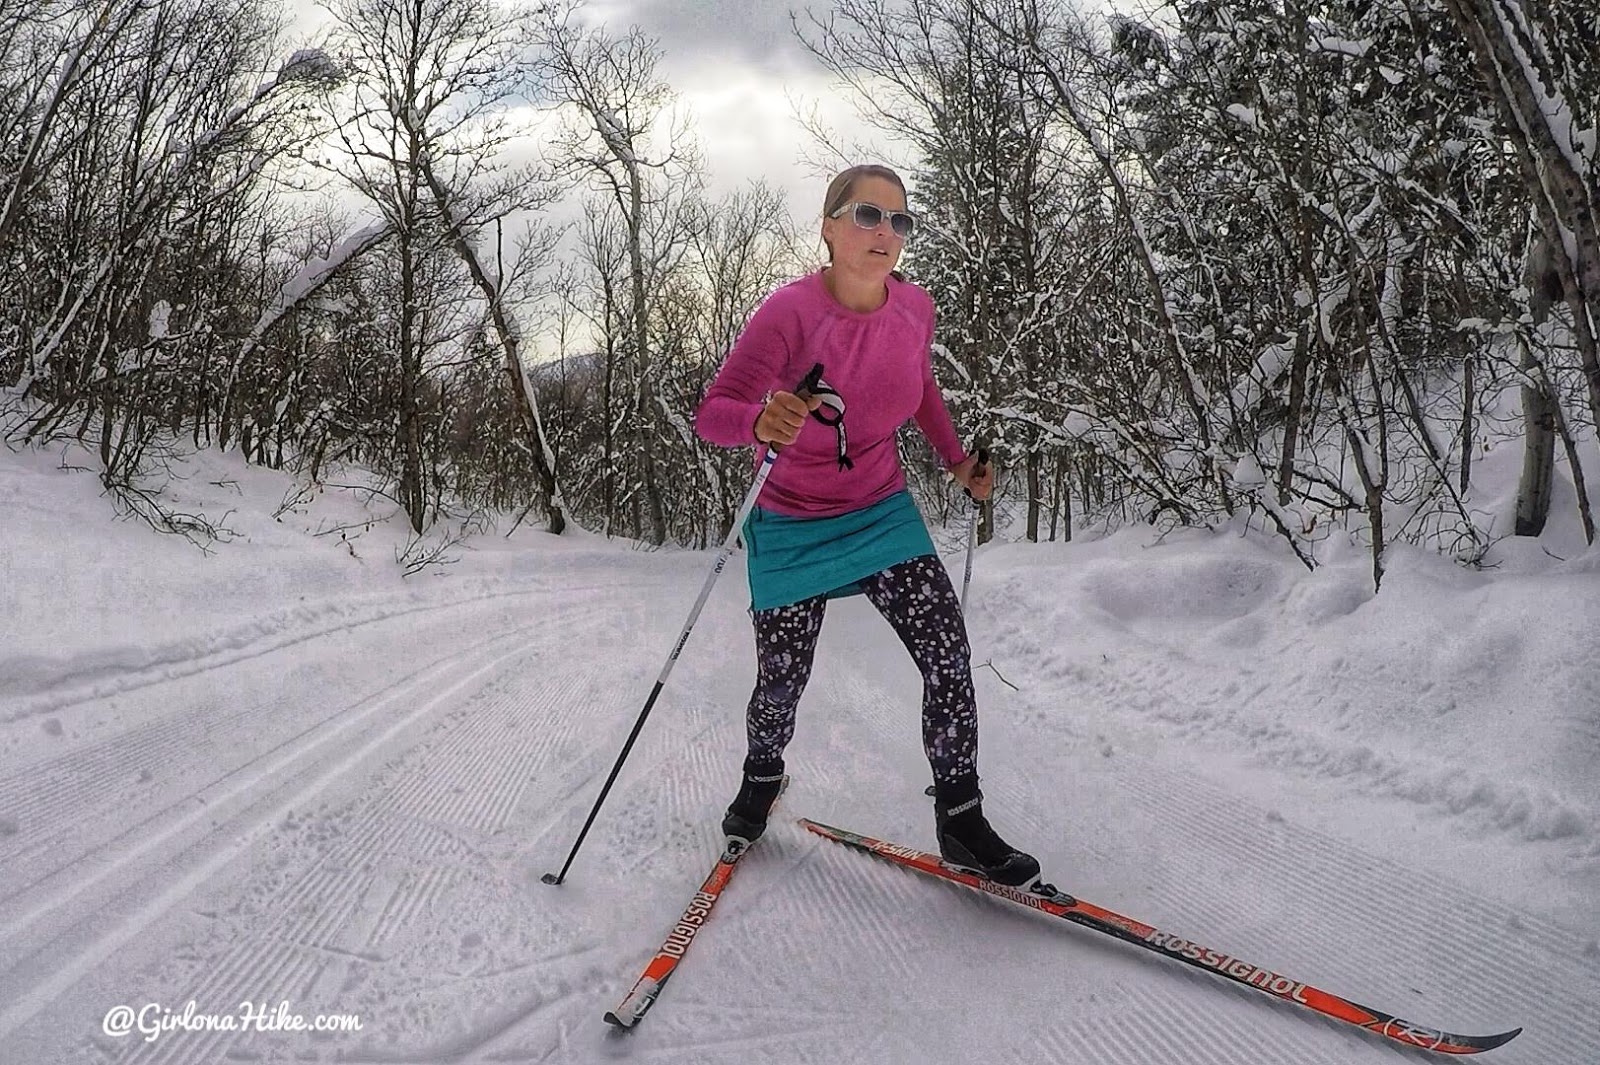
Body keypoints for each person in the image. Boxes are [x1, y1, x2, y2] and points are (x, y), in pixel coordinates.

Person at [692, 164, 1041, 887]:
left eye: (899, 221)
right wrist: (760, 417)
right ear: (827, 226)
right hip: (791, 521)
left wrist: (955, 464)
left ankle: (961, 815)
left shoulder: (915, 309)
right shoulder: (788, 313)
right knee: (782, 681)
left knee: (948, 650)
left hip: (881, 509)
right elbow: (714, 413)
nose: (885, 232)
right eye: (867, 215)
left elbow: (919, 389)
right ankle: (762, 776)